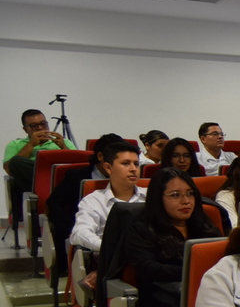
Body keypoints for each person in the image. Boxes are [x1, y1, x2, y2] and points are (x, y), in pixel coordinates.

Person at [125, 167, 221, 307]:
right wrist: (191, 273)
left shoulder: (205, 227)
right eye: (175, 195)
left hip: (208, 297)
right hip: (163, 305)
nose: (186, 201)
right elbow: (149, 269)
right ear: (158, 198)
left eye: (190, 194)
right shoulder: (141, 230)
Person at [48, 134, 125, 272]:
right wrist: (71, 229)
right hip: (84, 232)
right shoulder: (75, 177)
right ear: (101, 157)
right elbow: (53, 204)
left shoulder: (132, 180)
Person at [69, 142, 147, 252]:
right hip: (111, 261)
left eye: (136, 164)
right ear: (108, 168)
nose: (133, 169)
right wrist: (109, 248)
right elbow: (80, 233)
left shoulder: (151, 196)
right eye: (125, 163)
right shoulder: (94, 200)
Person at [4, 109, 77, 221]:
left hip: (61, 184)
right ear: (25, 129)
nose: (40, 128)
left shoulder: (62, 142)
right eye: (33, 126)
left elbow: (79, 165)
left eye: (43, 124)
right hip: (33, 188)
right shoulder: (15, 144)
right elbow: (9, 168)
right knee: (16, 161)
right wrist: (31, 144)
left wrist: (63, 147)